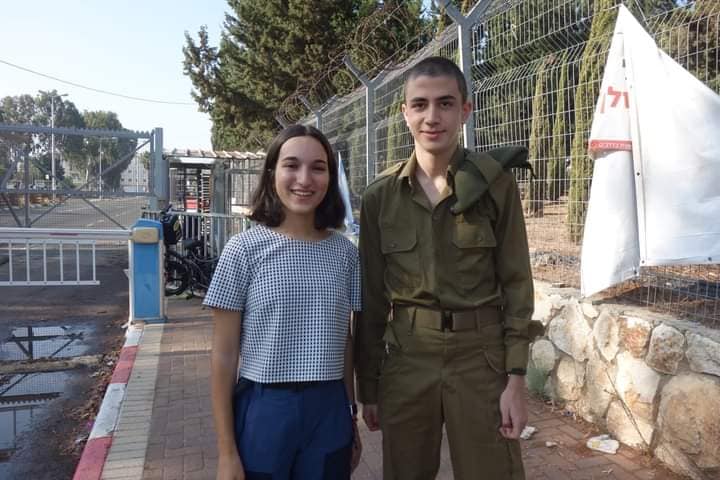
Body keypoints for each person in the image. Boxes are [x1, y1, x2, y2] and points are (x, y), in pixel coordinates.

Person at [356, 56, 535, 479]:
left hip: (481, 359)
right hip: (407, 359)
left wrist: (515, 379)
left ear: (465, 110)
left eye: (445, 103)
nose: (432, 117)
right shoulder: (380, 197)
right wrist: (370, 387)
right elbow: (372, 300)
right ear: (405, 113)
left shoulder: (495, 186)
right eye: (420, 105)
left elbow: (517, 284)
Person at [205, 124, 362, 480]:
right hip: (265, 410)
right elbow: (224, 355)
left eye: (318, 168)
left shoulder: (345, 254)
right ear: (272, 172)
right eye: (292, 165)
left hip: (329, 411)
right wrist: (226, 451)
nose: (304, 179)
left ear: (330, 178)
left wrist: (349, 413)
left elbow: (345, 340)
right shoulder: (243, 251)